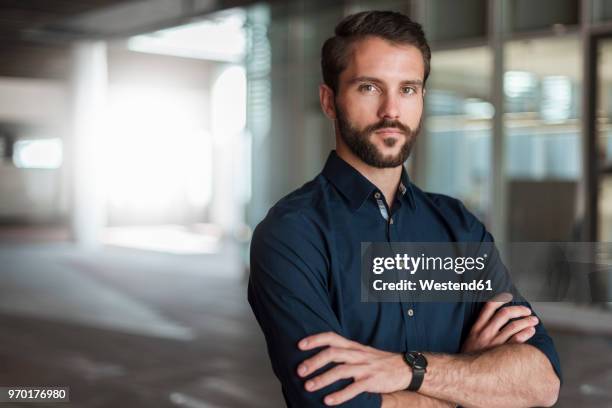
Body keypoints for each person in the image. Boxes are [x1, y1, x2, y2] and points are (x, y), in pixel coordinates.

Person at [248, 10, 561, 407]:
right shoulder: (292, 234)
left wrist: (408, 370)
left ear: (422, 99)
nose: (391, 111)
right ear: (329, 101)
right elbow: (336, 403)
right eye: (369, 88)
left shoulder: (458, 227)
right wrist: (468, 379)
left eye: (408, 89)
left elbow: (541, 383)